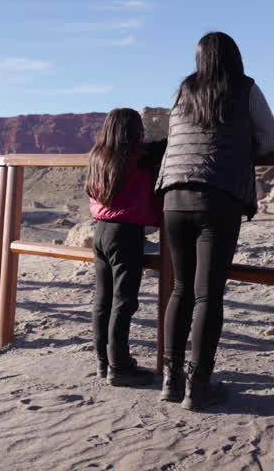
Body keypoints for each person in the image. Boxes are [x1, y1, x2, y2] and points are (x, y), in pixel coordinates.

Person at [155, 32, 274, 411]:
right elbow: (270, 142)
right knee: (208, 295)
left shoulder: (183, 91)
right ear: (235, 57)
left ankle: (170, 380)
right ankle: (198, 387)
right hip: (218, 197)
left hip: (173, 198)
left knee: (180, 290)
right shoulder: (244, 88)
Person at [86, 108, 167, 387]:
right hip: (126, 233)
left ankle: (103, 362)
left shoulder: (98, 155)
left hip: (100, 231)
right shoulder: (139, 155)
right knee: (124, 301)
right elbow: (167, 146)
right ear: (134, 131)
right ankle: (120, 366)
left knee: (103, 300)